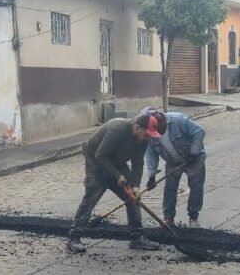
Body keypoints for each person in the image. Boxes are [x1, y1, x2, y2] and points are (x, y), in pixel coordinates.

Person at [67, 112, 168, 254]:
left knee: (133, 199)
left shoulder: (143, 139)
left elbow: (138, 163)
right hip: (96, 161)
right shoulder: (117, 128)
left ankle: (137, 238)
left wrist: (136, 186)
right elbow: (100, 155)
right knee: (92, 196)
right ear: (137, 127)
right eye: (147, 134)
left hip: (117, 162)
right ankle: (74, 238)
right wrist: (117, 176)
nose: (148, 138)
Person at [143, 107, 207, 229]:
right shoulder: (150, 131)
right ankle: (169, 219)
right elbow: (151, 154)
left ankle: (193, 217)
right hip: (173, 162)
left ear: (162, 121)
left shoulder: (178, 120)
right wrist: (152, 176)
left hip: (193, 158)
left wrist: (193, 153)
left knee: (196, 187)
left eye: (158, 129)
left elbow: (199, 131)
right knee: (170, 188)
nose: (156, 133)